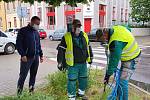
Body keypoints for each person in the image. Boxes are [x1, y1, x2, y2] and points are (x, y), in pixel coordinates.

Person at [96, 25, 141, 100]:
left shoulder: (115, 43)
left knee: (122, 82)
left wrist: (107, 75)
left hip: (132, 59)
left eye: (102, 39)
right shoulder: (116, 28)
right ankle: (116, 97)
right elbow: (128, 29)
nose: (103, 41)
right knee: (119, 80)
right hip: (127, 57)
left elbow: (113, 62)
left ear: (105, 34)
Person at [57, 19, 93, 100]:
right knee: (72, 80)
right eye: (76, 26)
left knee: (83, 78)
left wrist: (91, 57)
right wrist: (60, 62)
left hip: (83, 63)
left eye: (79, 26)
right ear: (72, 27)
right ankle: (71, 97)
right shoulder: (67, 36)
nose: (78, 28)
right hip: (73, 64)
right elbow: (61, 50)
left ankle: (81, 93)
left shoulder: (84, 35)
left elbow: (89, 46)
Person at [16, 16, 43, 95]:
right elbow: (18, 44)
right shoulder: (23, 31)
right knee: (23, 76)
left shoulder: (36, 32)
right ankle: (19, 94)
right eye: (37, 24)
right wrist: (23, 54)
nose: (38, 26)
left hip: (36, 58)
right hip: (26, 58)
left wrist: (41, 55)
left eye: (39, 24)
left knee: (33, 75)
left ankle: (31, 92)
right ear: (32, 22)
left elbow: (38, 45)